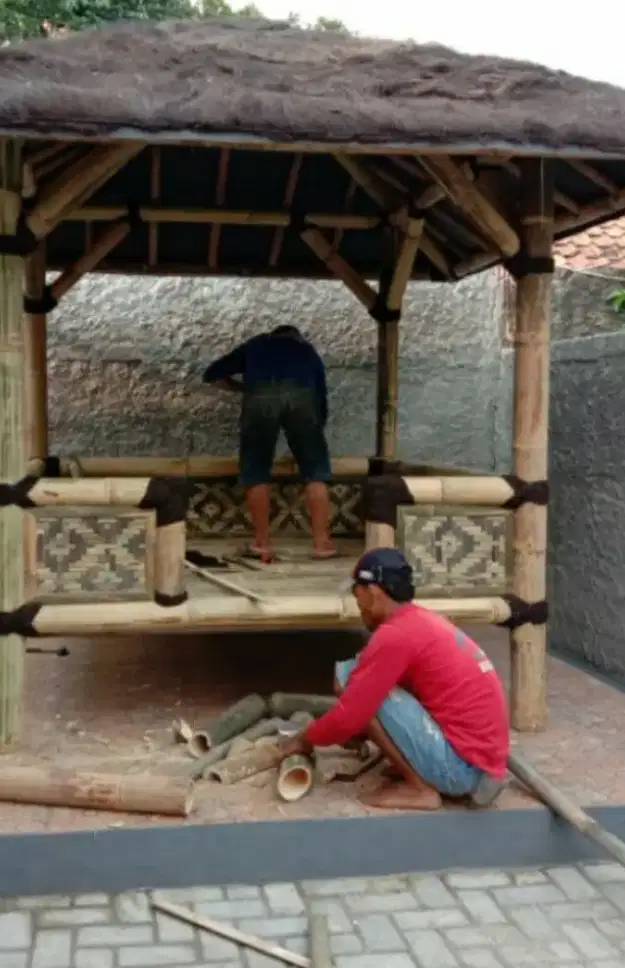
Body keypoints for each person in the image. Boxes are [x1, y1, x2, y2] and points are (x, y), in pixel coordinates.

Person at [280, 547, 510, 811]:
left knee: (350, 678)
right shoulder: (420, 619)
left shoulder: (395, 635)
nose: (357, 602)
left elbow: (350, 714)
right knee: (368, 682)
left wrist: (303, 739)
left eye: (357, 592)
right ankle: (419, 769)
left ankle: (419, 788)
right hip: (479, 766)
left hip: (461, 770)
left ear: (374, 592)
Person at [202, 325, 335, 563]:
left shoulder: (255, 345)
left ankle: (262, 543)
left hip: (259, 397)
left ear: (273, 334)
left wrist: (244, 389)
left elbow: (212, 374)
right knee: (315, 471)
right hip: (302, 397)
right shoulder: (306, 351)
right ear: (296, 336)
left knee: (255, 468)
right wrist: (315, 434)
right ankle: (322, 543)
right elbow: (321, 396)